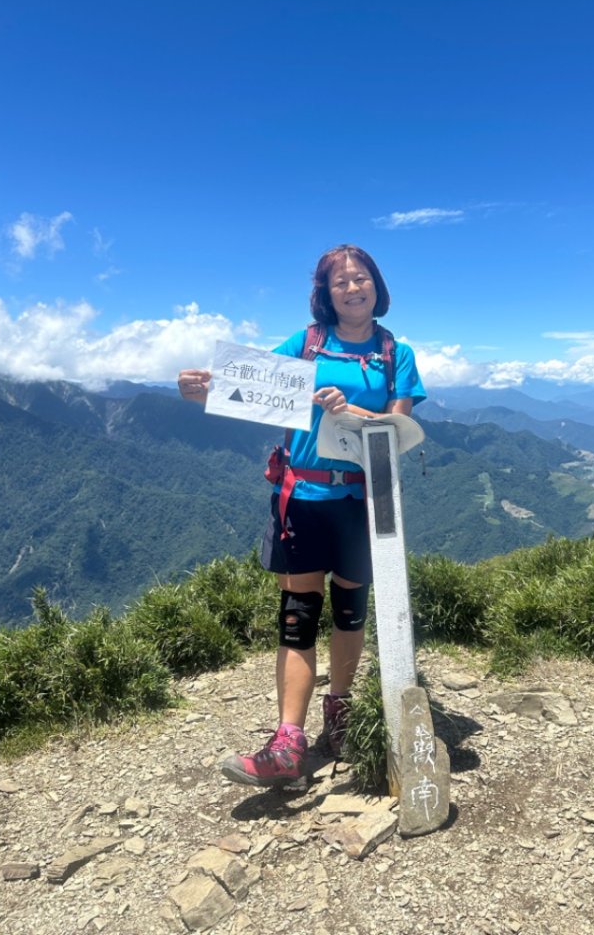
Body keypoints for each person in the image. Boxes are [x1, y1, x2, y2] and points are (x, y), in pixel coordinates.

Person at [177, 244, 425, 787]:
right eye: (341, 282)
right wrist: (204, 391)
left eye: (361, 279)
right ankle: (288, 742)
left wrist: (350, 410)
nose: (353, 288)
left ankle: (338, 713)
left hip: (364, 500)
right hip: (303, 497)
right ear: (325, 293)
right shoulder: (306, 343)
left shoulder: (394, 352)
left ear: (377, 287)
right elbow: (255, 390)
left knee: (350, 612)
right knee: (298, 615)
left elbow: (398, 433)